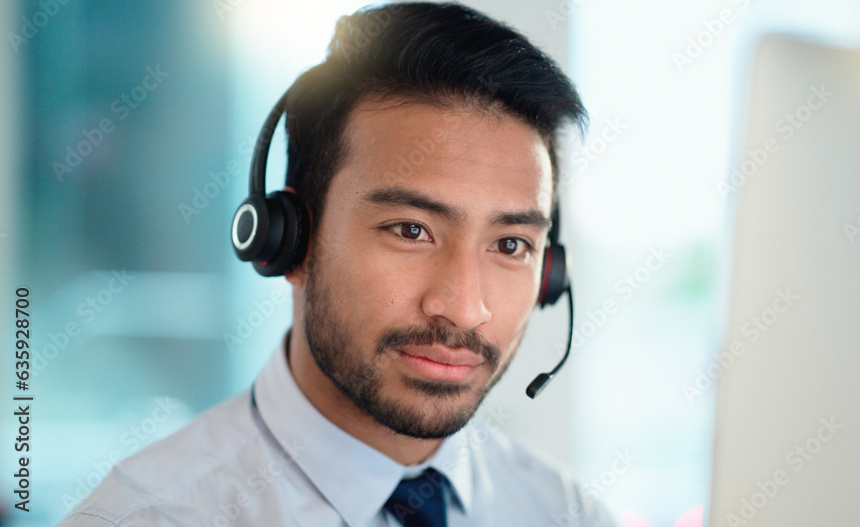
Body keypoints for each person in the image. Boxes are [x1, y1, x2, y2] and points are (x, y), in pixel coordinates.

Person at [59, 2, 620, 526]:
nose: (465, 308)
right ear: (289, 241)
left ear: (549, 274)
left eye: (510, 245)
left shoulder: (565, 512)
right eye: (411, 230)